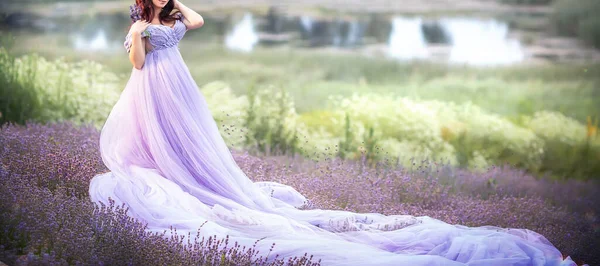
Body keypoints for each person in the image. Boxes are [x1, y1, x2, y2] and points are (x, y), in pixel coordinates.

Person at [89, 0, 577, 265]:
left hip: (180, 92)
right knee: (150, 148)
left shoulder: (174, 15)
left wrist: (170, 6)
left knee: (193, 147)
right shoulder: (139, 25)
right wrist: (138, 36)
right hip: (149, 89)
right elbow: (135, 66)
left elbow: (197, 19)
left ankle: (196, 178)